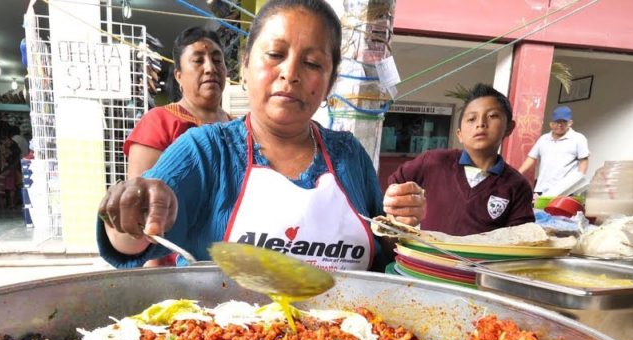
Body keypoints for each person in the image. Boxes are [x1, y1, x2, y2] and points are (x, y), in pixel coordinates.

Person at [97, 0, 424, 271]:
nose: (291, 73)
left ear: (329, 82)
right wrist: (133, 208)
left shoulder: (350, 156)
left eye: (312, 63)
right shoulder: (206, 151)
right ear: (245, 65)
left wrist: (399, 223)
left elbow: (383, 256)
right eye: (275, 54)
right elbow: (129, 244)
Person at [124, 25, 231, 266]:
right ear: (179, 75)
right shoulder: (159, 122)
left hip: (231, 263)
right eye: (198, 60)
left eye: (217, 60)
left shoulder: (238, 128)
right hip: (176, 267)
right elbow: (142, 209)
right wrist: (155, 276)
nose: (210, 68)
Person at [386, 83, 534, 236]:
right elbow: (395, 184)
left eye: (492, 116)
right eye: (471, 119)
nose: (480, 124)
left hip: (481, 260)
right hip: (428, 257)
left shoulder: (517, 186)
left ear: (509, 127)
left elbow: (520, 239)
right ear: (460, 134)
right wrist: (403, 208)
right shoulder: (434, 161)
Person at [518, 105, 590, 197]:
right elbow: (531, 158)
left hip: (565, 191)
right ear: (551, 123)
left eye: (563, 122)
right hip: (541, 189)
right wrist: (518, 173)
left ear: (570, 123)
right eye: (557, 122)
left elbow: (583, 162)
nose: (559, 125)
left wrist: (576, 182)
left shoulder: (578, 139)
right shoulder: (543, 139)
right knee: (538, 211)